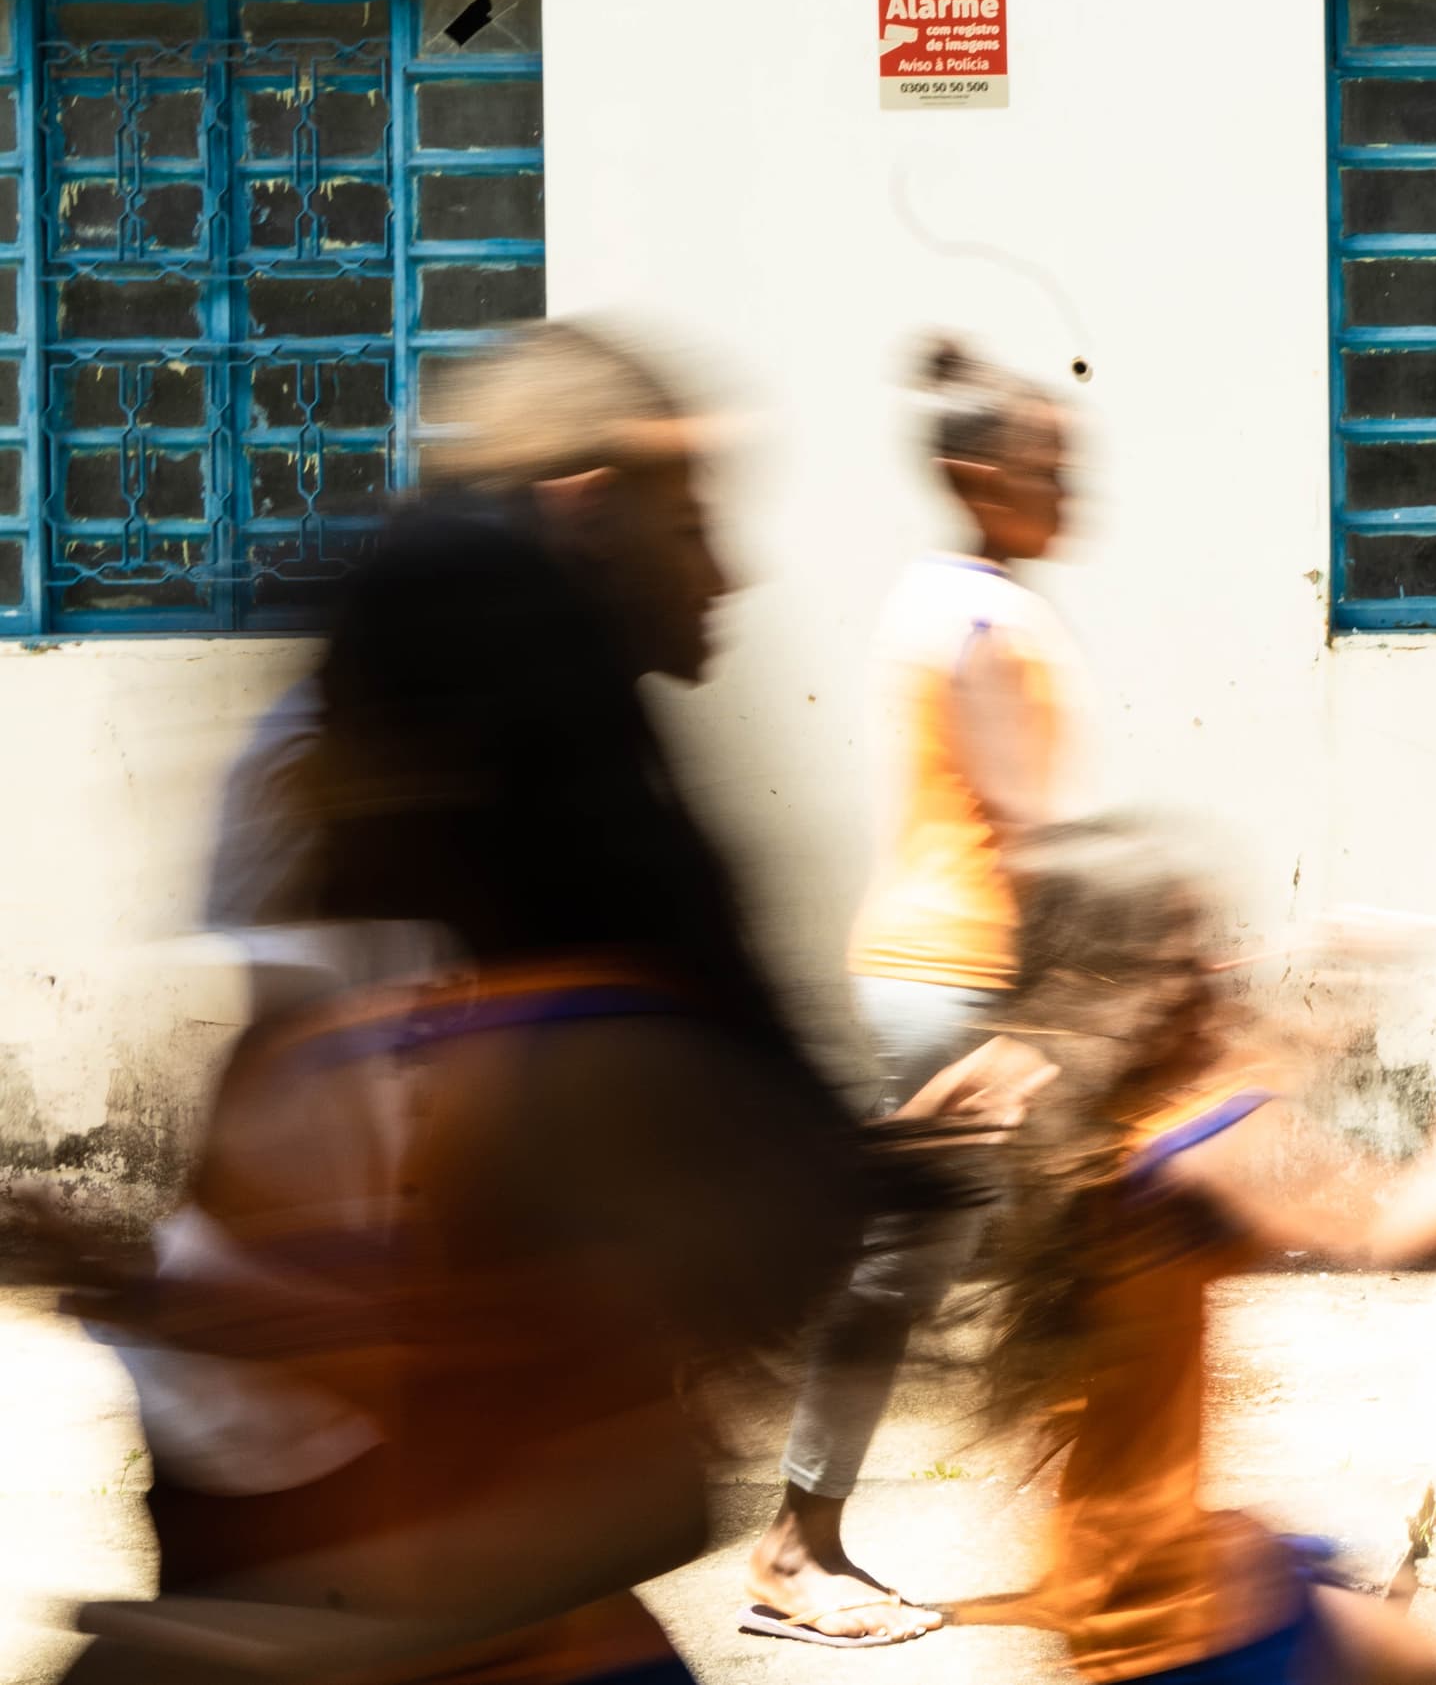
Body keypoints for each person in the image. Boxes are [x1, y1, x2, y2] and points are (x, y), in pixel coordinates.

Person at [28, 318, 1046, 1685]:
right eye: (691, 520)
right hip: (334, 1515)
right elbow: (386, 1236)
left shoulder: (552, 958)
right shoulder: (431, 916)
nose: (724, 569)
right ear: (583, 515)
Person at [941, 818, 1436, 1685]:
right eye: (1189, 958)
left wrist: (1326, 1003)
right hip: (1169, 1603)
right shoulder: (1197, 1157)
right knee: (1412, 1664)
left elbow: (1235, 1079)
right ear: (1121, 990)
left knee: (1395, 1648)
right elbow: (1394, 1232)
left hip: (1107, 1560)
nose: (1220, 974)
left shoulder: (1089, 1125)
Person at [751, 338, 1097, 1643]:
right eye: (1042, 464)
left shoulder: (952, 594)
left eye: (1068, 461)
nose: (1069, 488)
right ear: (970, 471)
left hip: (945, 971)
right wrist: (1073, 992)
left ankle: (1104, 1525)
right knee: (916, 1270)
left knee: (1024, 1256)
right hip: (964, 981)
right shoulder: (983, 620)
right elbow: (1020, 830)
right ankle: (795, 1544)